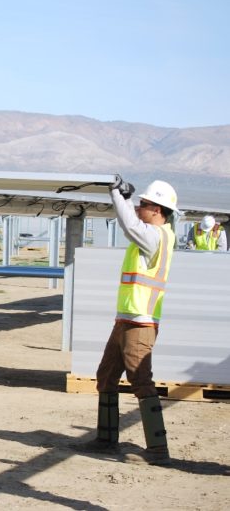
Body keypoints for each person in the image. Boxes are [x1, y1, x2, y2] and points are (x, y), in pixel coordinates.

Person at [72, 178, 178, 465]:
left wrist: (116, 194)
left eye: (143, 204)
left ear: (157, 210)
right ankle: (105, 439)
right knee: (106, 376)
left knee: (141, 381)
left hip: (141, 323)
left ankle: (157, 450)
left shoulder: (155, 236)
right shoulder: (153, 234)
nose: (138, 208)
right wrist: (126, 199)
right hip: (126, 320)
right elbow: (133, 223)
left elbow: (129, 225)